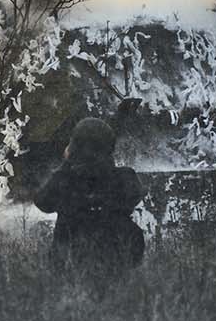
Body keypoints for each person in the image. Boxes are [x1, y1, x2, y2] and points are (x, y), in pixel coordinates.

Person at [34, 117, 145, 273]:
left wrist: (67, 163)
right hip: (116, 259)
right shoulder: (125, 177)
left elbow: (42, 202)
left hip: (72, 261)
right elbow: (136, 196)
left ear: (74, 147)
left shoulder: (64, 179)